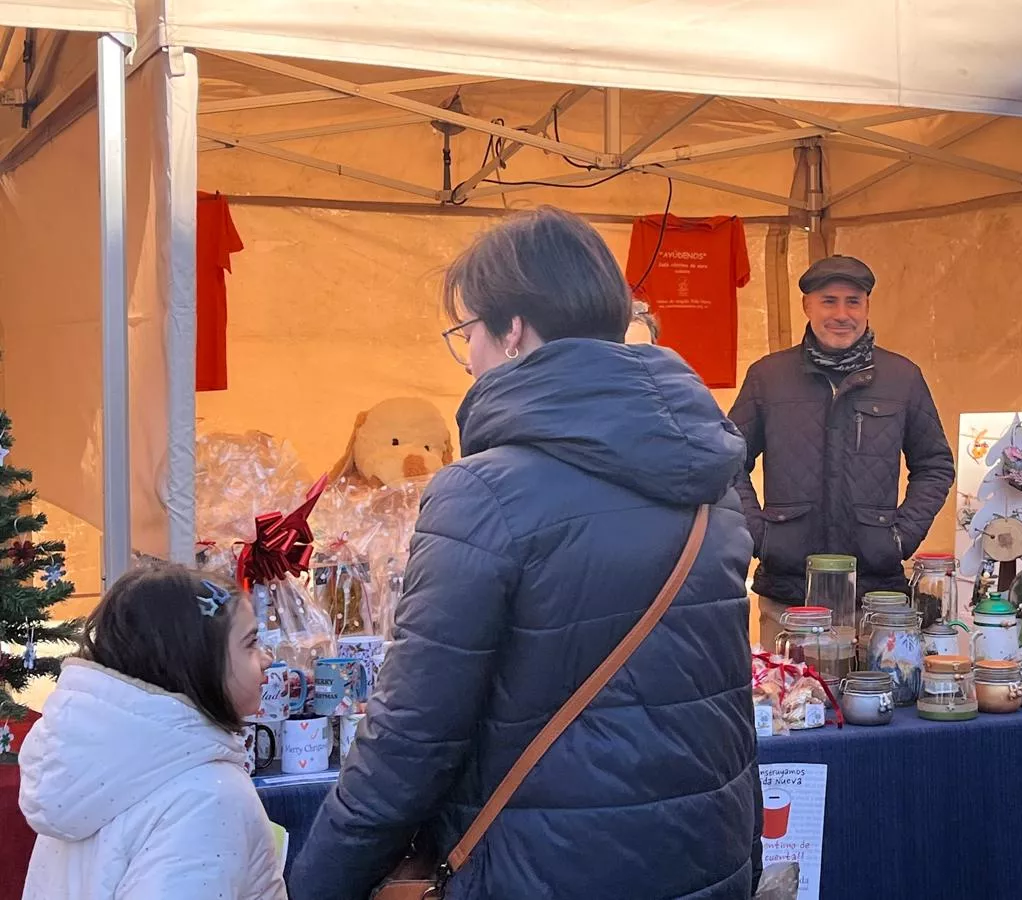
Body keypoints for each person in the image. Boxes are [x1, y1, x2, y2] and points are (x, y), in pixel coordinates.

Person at [289, 207, 761, 899]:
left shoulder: (481, 494)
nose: (470, 355)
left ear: (512, 331)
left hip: (542, 873)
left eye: (467, 332)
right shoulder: (709, 481)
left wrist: (314, 884)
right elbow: (729, 708)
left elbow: (411, 740)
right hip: (700, 863)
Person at [19, 563, 284, 900]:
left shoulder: (91, 772)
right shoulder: (208, 797)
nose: (266, 658)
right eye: (250, 643)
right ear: (197, 661)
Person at [729, 255, 955, 646]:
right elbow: (729, 461)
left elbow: (935, 464)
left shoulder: (902, 377)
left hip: (877, 597)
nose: (841, 313)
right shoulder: (768, 376)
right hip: (789, 593)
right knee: (791, 701)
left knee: (879, 699)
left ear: (867, 306)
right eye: (828, 300)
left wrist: (902, 537)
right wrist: (760, 535)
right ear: (807, 306)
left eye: (853, 301)